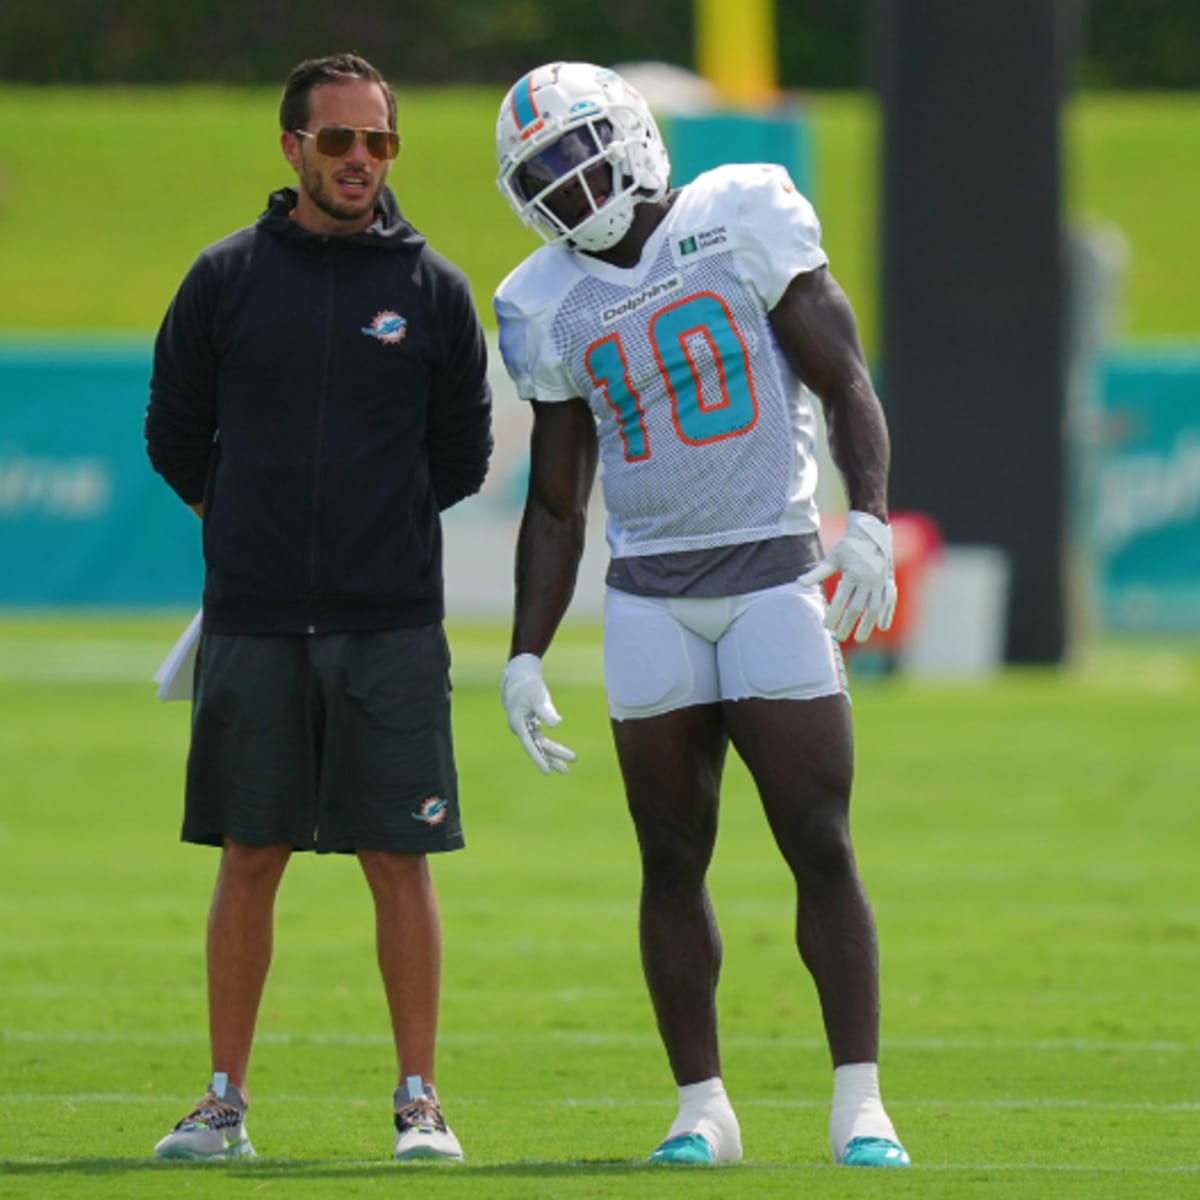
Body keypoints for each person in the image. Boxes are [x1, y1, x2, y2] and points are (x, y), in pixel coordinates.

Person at [492, 62, 910, 1169]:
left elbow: (845, 377)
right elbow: (554, 499)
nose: (568, 181)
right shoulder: (541, 302)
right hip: (650, 598)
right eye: (541, 169)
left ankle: (860, 1104)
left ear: (631, 136)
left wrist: (866, 519)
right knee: (668, 857)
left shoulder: (740, 216)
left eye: (578, 149)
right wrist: (524, 654)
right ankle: (702, 1111)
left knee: (818, 840)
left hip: (774, 571)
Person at [144, 52, 492, 1163]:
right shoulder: (225, 277)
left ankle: (419, 1100)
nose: (357, 160)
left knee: (402, 859)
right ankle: (223, 1103)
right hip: (253, 622)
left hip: (390, 622)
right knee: (250, 854)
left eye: (377, 142)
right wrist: (253, 524)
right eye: (336, 140)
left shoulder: (432, 288)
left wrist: (361, 533)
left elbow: (462, 458)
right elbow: (173, 435)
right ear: (292, 146)